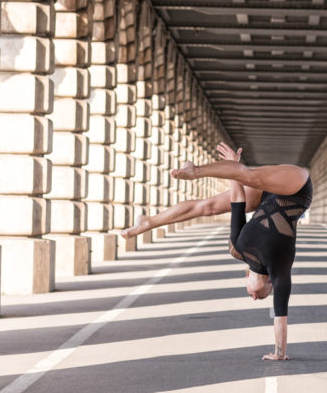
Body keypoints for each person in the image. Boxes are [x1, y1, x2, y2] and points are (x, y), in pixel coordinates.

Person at [119, 143, 313, 361]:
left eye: (253, 296)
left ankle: (149, 222)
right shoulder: (280, 268)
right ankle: (197, 171)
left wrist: (233, 168)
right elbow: (281, 316)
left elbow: (237, 201)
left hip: (267, 196)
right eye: (262, 296)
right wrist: (280, 353)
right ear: (271, 284)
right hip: (297, 188)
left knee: (208, 206)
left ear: (247, 275)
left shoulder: (237, 248)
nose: (254, 298)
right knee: (251, 177)